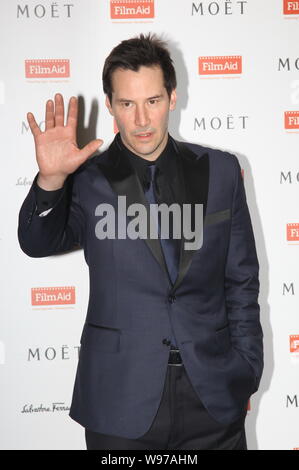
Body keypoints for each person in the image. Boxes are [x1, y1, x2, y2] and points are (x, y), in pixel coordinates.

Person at [18, 33, 263, 450]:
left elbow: (241, 281)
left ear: (172, 96)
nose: (142, 120)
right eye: (127, 104)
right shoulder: (87, 179)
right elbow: (38, 241)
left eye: (152, 101)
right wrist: (52, 180)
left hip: (212, 396)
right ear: (111, 105)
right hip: (119, 399)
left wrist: (245, 369)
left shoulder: (221, 172)